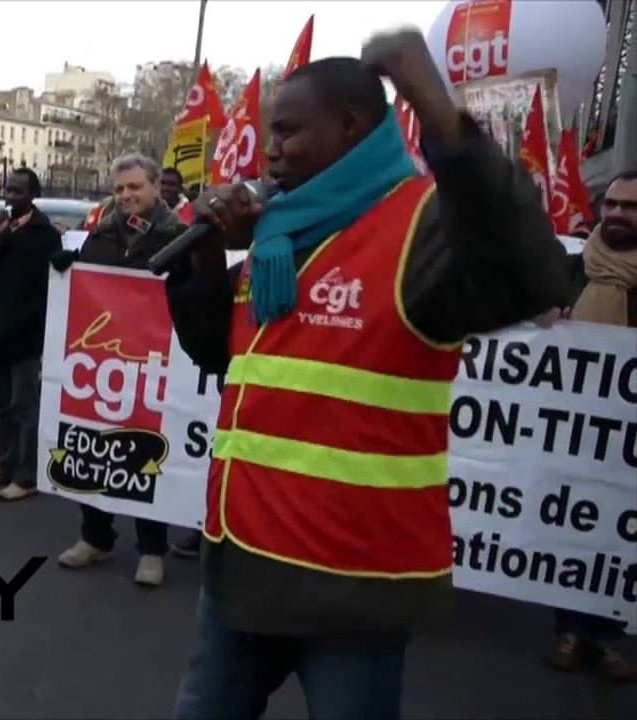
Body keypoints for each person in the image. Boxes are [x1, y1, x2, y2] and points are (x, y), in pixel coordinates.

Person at [165, 32, 570, 719]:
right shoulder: (281, 234)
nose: (271, 151)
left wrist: (432, 103)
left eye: (289, 130)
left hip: (352, 588)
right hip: (241, 573)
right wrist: (206, 256)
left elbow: (530, 272)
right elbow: (221, 356)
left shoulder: (418, 226)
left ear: (352, 125)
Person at [48, 153, 185, 587]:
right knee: (91, 450)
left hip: (152, 366)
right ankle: (96, 537)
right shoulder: (100, 235)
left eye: (134, 188)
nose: (126, 196)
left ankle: (151, 549)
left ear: (156, 186)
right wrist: (66, 269)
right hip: (100, 367)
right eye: (119, 189)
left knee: (146, 456)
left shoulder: (179, 236)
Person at [538, 170, 637, 685]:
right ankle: (572, 632)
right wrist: (544, 318)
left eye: (631, 207)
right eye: (613, 204)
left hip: (630, 438)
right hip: (574, 429)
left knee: (621, 536)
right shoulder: (574, 267)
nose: (618, 213)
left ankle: (604, 636)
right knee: (575, 528)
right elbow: (530, 317)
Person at [0, 168, 61, 502]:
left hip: (26, 334)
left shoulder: (45, 234)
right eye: (8, 189)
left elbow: (51, 283)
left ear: (32, 195)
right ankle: (5, 466)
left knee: (24, 406)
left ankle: (26, 475)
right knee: (1, 405)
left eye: (18, 191)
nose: (10, 196)